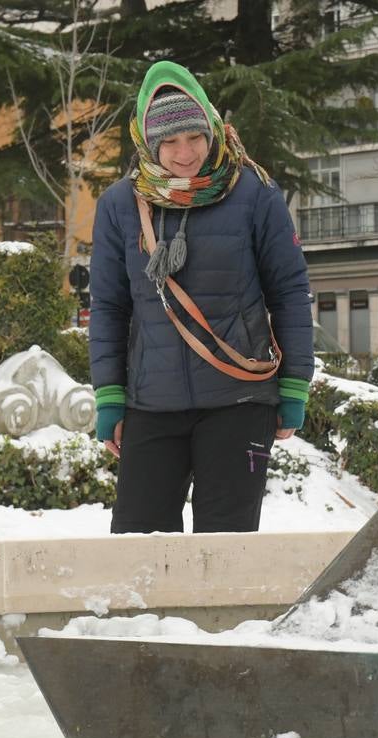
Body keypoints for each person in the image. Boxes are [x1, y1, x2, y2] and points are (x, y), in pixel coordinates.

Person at [89, 60, 313, 534]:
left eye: (194, 137)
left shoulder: (255, 194)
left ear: (212, 129)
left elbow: (290, 292)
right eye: (168, 141)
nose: (184, 152)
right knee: (137, 547)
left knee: (228, 550)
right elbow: (109, 306)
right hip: (151, 402)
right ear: (148, 143)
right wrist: (109, 396)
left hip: (240, 401)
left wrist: (294, 385)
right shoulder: (118, 206)